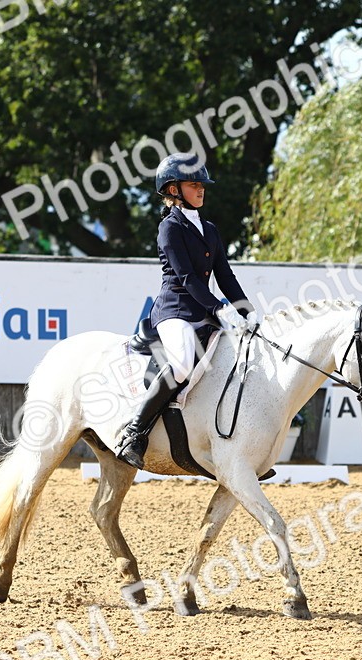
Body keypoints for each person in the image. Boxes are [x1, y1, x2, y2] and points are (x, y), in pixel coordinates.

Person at [113, 152, 258, 469]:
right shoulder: (170, 227)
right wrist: (219, 309)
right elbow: (187, 277)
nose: (201, 189)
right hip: (175, 310)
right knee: (180, 364)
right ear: (173, 189)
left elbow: (226, 276)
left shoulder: (210, 229)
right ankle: (134, 434)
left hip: (205, 313)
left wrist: (246, 311)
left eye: (202, 184)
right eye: (194, 184)